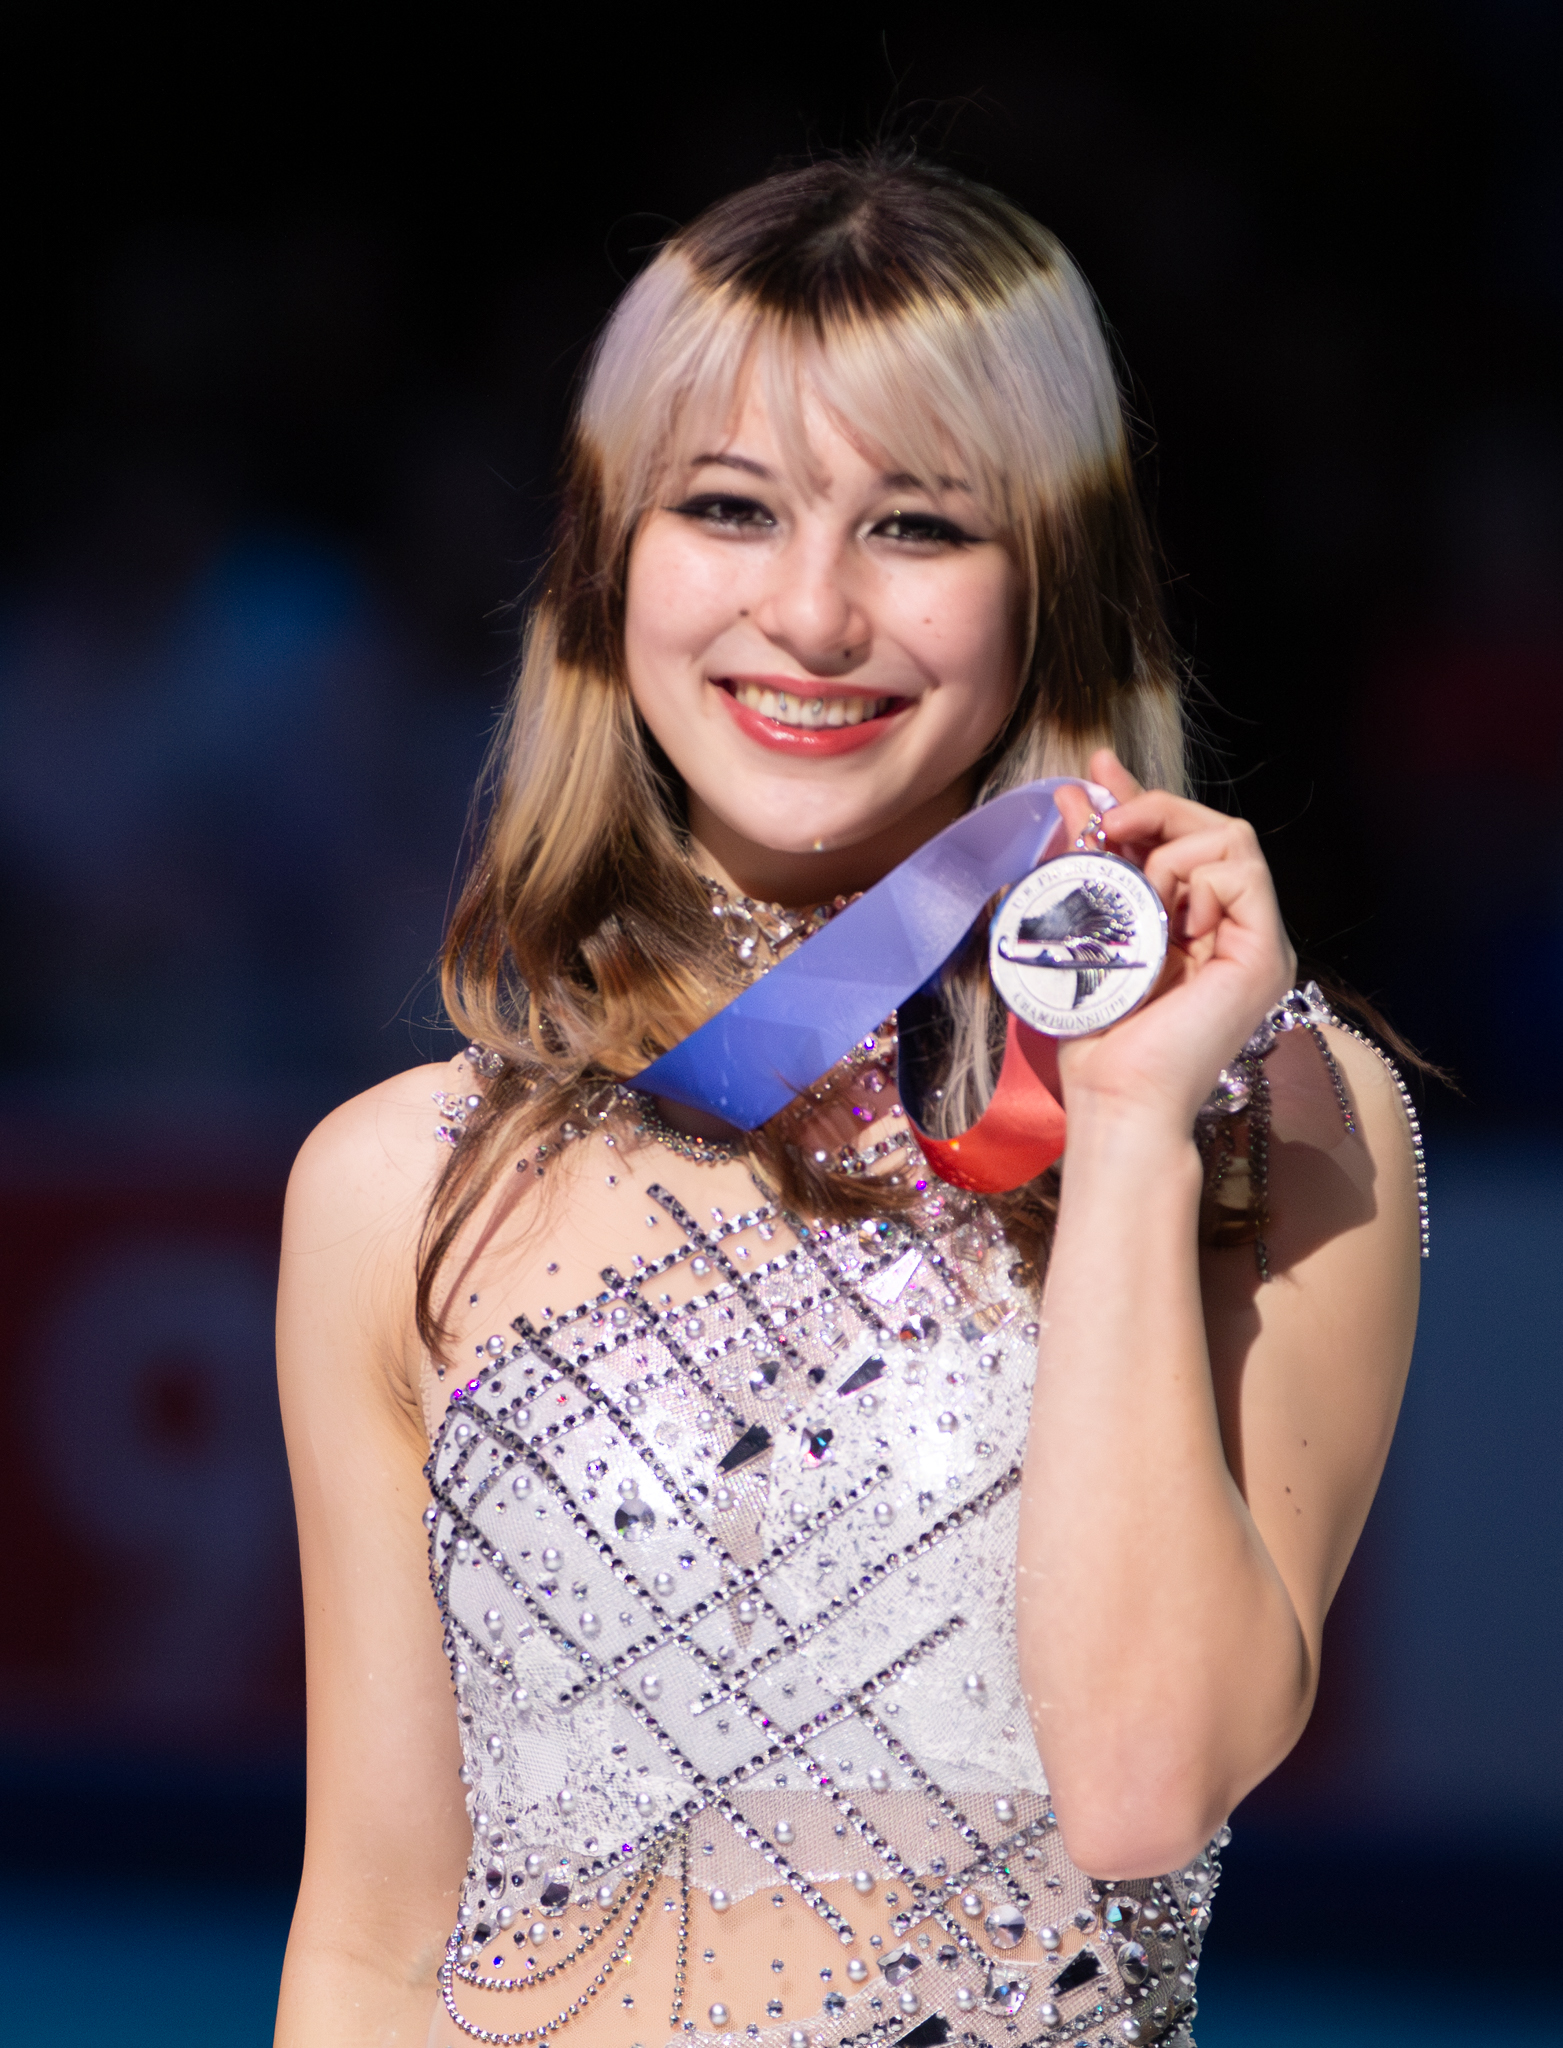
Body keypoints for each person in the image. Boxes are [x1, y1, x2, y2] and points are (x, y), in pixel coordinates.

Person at [274, 154, 1423, 2048]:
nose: (809, 614)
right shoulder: (397, 1185)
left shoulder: (1267, 1119)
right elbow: (374, 1944)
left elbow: (1144, 1791)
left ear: (1050, 573)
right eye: (727, 507)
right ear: (609, 564)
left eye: (916, 528)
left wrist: (1126, 1131)